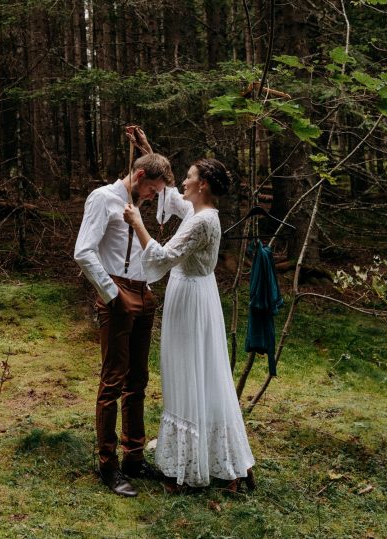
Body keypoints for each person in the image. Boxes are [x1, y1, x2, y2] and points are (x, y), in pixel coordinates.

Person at [123, 157, 256, 492]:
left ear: (203, 185)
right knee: (201, 373)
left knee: (188, 372)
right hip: (196, 293)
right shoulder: (200, 213)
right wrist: (148, 152)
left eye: (189, 177)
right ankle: (217, 460)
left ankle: (190, 468)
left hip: (192, 299)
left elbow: (165, 258)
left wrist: (138, 223)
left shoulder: (203, 222)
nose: (182, 181)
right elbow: (171, 196)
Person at [73, 142, 174, 497]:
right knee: (113, 380)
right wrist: (111, 293)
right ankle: (108, 464)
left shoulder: (137, 203)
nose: (152, 197)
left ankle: (134, 456)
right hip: (117, 292)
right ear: (140, 175)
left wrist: (147, 145)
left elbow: (167, 198)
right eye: (151, 190)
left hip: (143, 292)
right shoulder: (102, 198)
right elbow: (83, 250)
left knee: (138, 380)